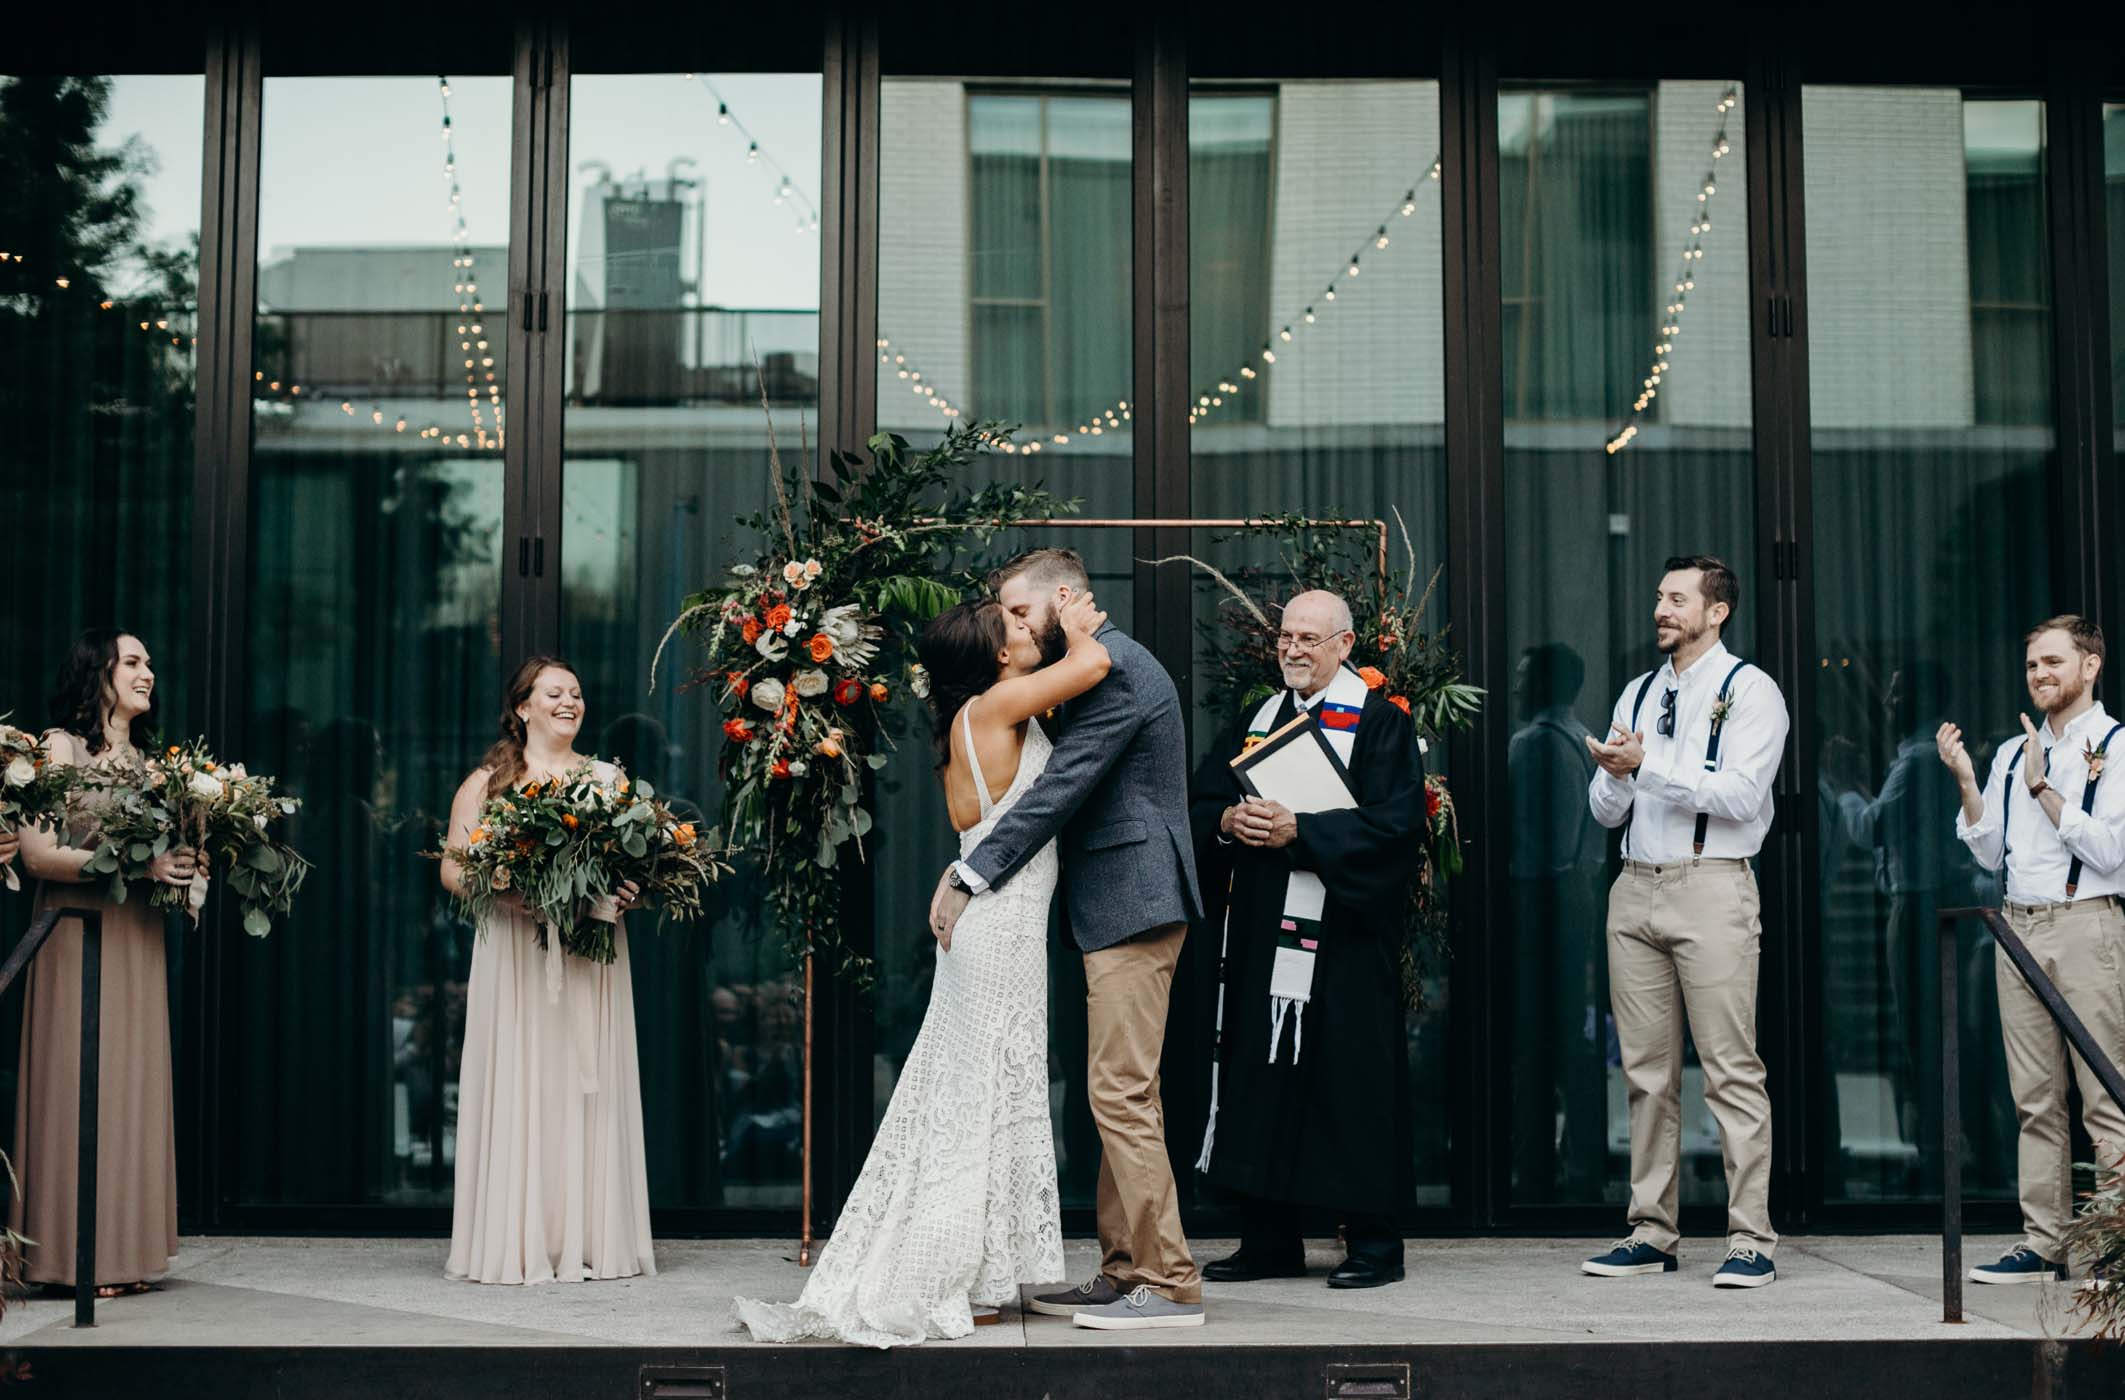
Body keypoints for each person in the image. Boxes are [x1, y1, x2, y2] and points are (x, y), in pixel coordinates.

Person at [736, 590, 1109, 1345]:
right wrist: (1074, 621)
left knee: (985, 1091)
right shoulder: (998, 704)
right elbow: (1097, 660)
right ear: (998, 655)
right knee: (977, 1100)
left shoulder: (984, 711)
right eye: (1016, 622)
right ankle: (948, 1271)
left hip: (992, 919)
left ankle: (980, 1274)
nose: (1030, 626)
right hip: (997, 928)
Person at [931, 548, 1207, 1331]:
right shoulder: (1088, 666)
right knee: (1118, 1094)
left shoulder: (1114, 666)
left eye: (1018, 612)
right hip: (1113, 903)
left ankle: (1168, 1280)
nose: (1010, 628)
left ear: (1063, 597)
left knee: (1120, 1094)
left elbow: (1063, 784)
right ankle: (1123, 1271)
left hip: (1136, 898)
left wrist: (968, 873)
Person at [1189, 590, 1425, 1289]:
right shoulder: (1259, 719)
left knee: (1350, 1079)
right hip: (1266, 932)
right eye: (1285, 637)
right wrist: (1229, 822)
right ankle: (1268, 1239)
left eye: (1309, 639)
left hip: (1347, 938)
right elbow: (1204, 797)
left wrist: (1305, 832)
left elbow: (1396, 828)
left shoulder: (1378, 725)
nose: (1292, 649)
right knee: (1263, 1073)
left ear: (1346, 645)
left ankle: (1375, 1247)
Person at [1580, 556, 1789, 1289]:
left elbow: (1738, 795)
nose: (1661, 609)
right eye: (1659, 597)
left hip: (1711, 888)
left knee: (1731, 1070)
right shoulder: (1638, 690)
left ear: (1716, 610)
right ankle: (1650, 1230)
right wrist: (1611, 774)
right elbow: (1606, 811)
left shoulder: (1751, 690)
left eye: (1676, 598)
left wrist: (1646, 767)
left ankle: (1750, 1239)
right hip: (1633, 888)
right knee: (1644, 1074)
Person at [440, 656, 651, 1284]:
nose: (569, 702)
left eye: (577, 694)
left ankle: (586, 1236)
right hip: (516, 955)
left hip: (589, 953)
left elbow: (630, 861)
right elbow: (453, 868)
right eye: (554, 693)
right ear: (523, 706)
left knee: (586, 1084)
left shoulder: (611, 782)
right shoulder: (487, 784)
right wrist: (509, 892)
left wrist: (629, 889)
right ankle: (521, 1236)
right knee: (526, 1079)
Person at [1940, 615, 2125, 1288]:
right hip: (2015, 929)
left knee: (2103, 1093)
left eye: (2052, 662)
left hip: (2085, 925)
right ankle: (2043, 1241)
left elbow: (2111, 852)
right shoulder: (2012, 755)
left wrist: (2048, 788)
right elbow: (1988, 849)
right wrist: (1965, 778)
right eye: (2030, 666)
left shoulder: (2116, 745)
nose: (2039, 675)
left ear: (2088, 666)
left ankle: (2112, 1245)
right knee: (2033, 1098)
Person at [10, 629, 188, 1295]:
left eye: (149, 662)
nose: (149, 672)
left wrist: (182, 869)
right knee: (79, 1084)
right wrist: (141, 863)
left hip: (136, 934)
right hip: (75, 931)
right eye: (134, 661)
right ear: (99, 670)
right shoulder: (55, 747)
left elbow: (164, 852)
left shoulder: (150, 763)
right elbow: (37, 855)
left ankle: (126, 1253)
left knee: (131, 1087)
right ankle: (71, 1258)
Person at [1506, 642, 1608, 1199]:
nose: (1517, 688)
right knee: (1571, 1032)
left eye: (1525, 678)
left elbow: (1535, 836)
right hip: (1578, 891)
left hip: (1542, 893)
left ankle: (1536, 1168)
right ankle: (1583, 1161)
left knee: (1538, 1033)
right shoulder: (1583, 740)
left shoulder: (1534, 745)